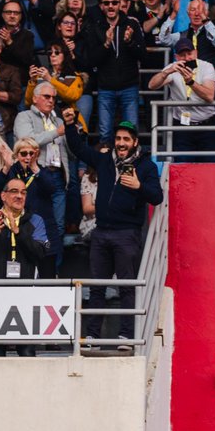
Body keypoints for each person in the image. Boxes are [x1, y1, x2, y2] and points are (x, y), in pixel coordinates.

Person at [63, 110, 162, 349]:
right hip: (101, 232)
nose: (121, 143)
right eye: (118, 139)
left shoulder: (146, 166)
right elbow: (78, 148)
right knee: (97, 286)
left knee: (126, 287)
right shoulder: (104, 160)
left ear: (135, 142)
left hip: (127, 234)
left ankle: (126, 337)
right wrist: (69, 125)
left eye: (126, 139)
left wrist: (139, 186)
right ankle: (93, 336)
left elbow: (157, 197)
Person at [0, 178, 49, 356]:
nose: (19, 196)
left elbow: (41, 253)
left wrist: (19, 232)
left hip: (26, 293)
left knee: (27, 352)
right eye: (14, 191)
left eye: (23, 192)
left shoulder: (35, 220)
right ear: (3, 195)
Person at [13, 83, 68, 260]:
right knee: (32, 224)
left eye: (53, 97)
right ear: (35, 98)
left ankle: (54, 272)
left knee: (58, 226)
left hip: (57, 176)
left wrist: (73, 130)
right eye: (46, 96)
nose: (51, 100)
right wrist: (56, 133)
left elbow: (67, 150)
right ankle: (33, 270)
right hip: (34, 178)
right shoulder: (24, 116)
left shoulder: (58, 120)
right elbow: (27, 141)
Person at [85, 0, 145, 143]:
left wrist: (129, 42)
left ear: (120, 5)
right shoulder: (96, 26)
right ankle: (107, 166)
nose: (110, 6)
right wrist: (105, 44)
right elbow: (92, 60)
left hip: (129, 86)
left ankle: (130, 166)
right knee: (105, 134)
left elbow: (142, 54)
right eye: (106, 3)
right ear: (101, 6)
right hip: (106, 88)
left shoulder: (132, 24)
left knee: (132, 131)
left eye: (114, 2)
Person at [148, 38, 215, 160]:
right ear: (176, 57)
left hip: (206, 125)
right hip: (183, 127)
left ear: (195, 53)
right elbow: (151, 86)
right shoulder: (173, 68)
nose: (186, 58)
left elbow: (209, 96)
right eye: (182, 55)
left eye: (189, 54)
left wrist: (190, 82)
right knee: (183, 168)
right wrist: (166, 72)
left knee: (211, 168)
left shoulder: (207, 66)